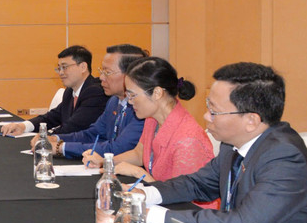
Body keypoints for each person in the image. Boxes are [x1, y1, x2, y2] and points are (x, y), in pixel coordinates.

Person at [139, 62, 307, 223]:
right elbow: (197, 184)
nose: (206, 117)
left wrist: (157, 217)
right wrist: (144, 194)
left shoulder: (285, 156)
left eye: (213, 111)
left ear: (251, 120)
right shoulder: (233, 145)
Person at [83, 56, 214, 184]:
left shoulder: (188, 140)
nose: (129, 101)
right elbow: (139, 153)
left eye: (132, 95)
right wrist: (105, 162)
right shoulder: (152, 119)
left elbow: (182, 197)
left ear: (157, 93)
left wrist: (139, 174)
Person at [34, 44, 147, 158]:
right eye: (101, 71)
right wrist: (56, 138)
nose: (101, 77)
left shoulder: (142, 109)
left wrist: (60, 147)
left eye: (107, 72)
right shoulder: (113, 101)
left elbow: (116, 148)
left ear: (130, 75)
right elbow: (92, 134)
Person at [0, 45, 108, 136]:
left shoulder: (95, 92)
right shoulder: (70, 91)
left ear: (83, 67)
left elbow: (73, 127)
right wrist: (22, 126)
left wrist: (44, 138)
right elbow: (52, 117)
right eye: (59, 68)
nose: (60, 73)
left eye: (65, 67)